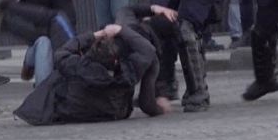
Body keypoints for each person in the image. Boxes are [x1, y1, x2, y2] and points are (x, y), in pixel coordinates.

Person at [13, 22, 170, 126]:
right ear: (115, 61)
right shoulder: (126, 74)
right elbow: (148, 50)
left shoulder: (76, 66)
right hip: (108, 112)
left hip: (65, 111)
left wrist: (94, 35)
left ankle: (29, 60)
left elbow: (62, 52)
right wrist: (120, 30)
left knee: (43, 43)